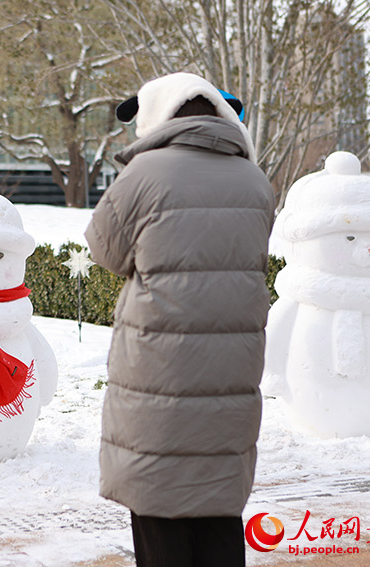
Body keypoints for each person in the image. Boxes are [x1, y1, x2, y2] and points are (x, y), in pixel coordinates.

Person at [84, 73, 275, 566]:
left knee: (159, 503)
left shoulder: (143, 174)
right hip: (231, 368)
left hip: (158, 369)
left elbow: (105, 250)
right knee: (217, 508)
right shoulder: (254, 179)